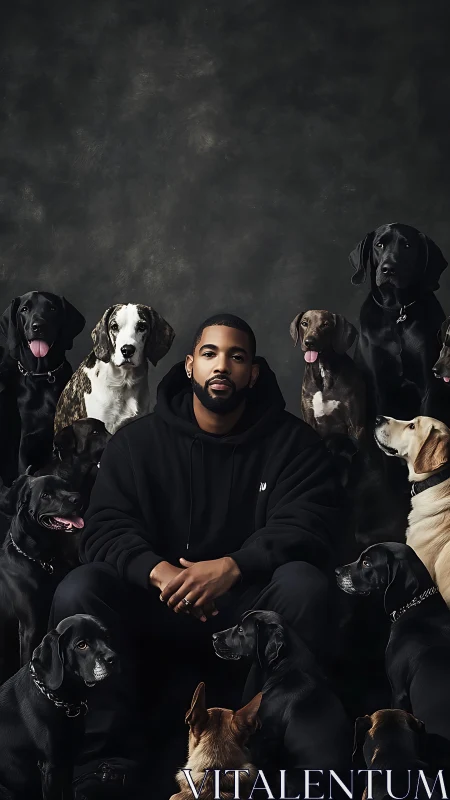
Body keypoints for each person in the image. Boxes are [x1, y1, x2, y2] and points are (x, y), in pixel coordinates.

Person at [50, 313, 341, 798]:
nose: (221, 366)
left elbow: (310, 524)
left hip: (244, 612)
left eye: (237, 356)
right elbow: (103, 528)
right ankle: (105, 764)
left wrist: (232, 567)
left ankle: (265, 758)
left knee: (303, 585)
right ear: (188, 366)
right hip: (158, 607)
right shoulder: (137, 443)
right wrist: (159, 573)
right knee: (81, 588)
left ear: (253, 372)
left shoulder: (294, 445)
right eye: (209, 354)